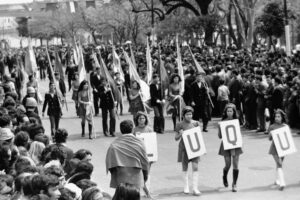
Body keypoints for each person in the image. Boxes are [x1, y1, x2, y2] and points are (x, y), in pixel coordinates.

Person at [106, 120, 149, 189]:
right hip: (136, 177)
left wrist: (116, 177)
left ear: (121, 130)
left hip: (121, 177)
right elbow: (145, 162)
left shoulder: (114, 145)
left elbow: (111, 166)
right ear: (132, 129)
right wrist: (145, 176)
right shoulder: (139, 143)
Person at [175, 106, 201, 196]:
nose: (189, 116)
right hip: (184, 148)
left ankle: (195, 188)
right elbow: (176, 138)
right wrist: (180, 134)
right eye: (187, 114)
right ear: (183, 115)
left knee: (195, 167)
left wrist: (199, 128)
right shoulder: (179, 124)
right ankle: (186, 186)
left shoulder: (196, 123)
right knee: (185, 167)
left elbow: (198, 135)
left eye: (190, 114)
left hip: (194, 148)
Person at [218, 103, 243, 192]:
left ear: (233, 112)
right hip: (226, 145)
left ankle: (234, 184)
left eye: (231, 111)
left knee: (235, 165)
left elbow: (238, 134)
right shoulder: (223, 122)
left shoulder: (236, 121)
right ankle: (224, 176)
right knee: (228, 165)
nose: (229, 113)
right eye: (228, 111)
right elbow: (220, 136)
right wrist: (220, 127)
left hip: (235, 145)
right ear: (225, 112)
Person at [267, 109, 288, 191]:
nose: (277, 118)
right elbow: (269, 139)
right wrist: (271, 134)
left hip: (283, 148)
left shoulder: (285, 126)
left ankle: (277, 179)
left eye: (279, 116)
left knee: (279, 164)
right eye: (276, 116)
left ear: (282, 118)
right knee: (279, 163)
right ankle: (282, 183)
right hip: (274, 148)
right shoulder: (272, 127)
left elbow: (287, 138)